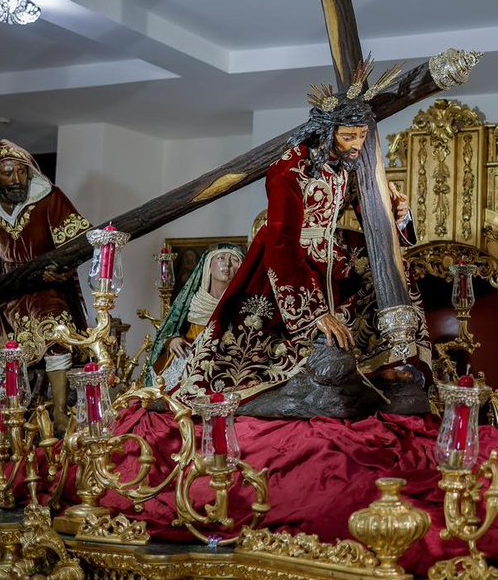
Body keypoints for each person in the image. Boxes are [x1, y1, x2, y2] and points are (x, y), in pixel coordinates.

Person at [174, 61, 430, 414]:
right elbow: (280, 239)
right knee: (259, 348)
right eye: (348, 136)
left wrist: (399, 215)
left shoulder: (348, 167)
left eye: (361, 136)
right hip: (286, 259)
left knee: (389, 269)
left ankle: (384, 362)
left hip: (332, 255)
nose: (357, 145)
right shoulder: (289, 168)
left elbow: (372, 216)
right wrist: (313, 315)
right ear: (328, 131)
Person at [0, 140, 90, 425]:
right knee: (8, 349)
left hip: (47, 284)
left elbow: (76, 243)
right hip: (10, 289)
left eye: (21, 171)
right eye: (7, 172)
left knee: (56, 335)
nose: (16, 179)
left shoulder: (50, 197)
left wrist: (63, 270)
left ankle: (59, 409)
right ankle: (12, 417)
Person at [145, 244, 243, 390]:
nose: (227, 264)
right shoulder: (191, 301)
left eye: (234, 260)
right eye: (221, 258)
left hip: (228, 369)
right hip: (188, 362)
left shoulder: (243, 305)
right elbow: (169, 331)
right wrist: (173, 340)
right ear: (208, 266)